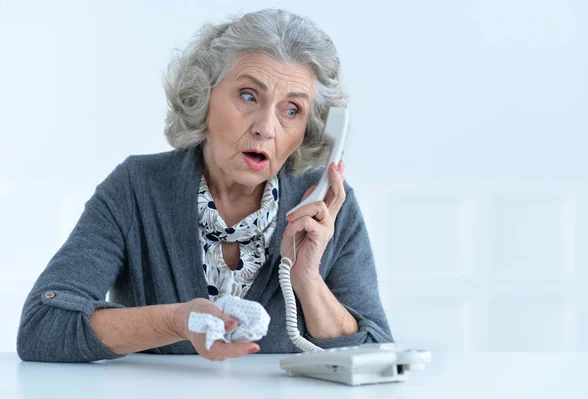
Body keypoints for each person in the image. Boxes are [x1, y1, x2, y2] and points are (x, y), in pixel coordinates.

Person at [16, 8, 393, 363]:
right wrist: (177, 321)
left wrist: (307, 279)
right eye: (249, 96)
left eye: (291, 110)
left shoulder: (326, 204)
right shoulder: (136, 188)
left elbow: (377, 355)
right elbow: (43, 326)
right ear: (203, 95)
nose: (266, 127)